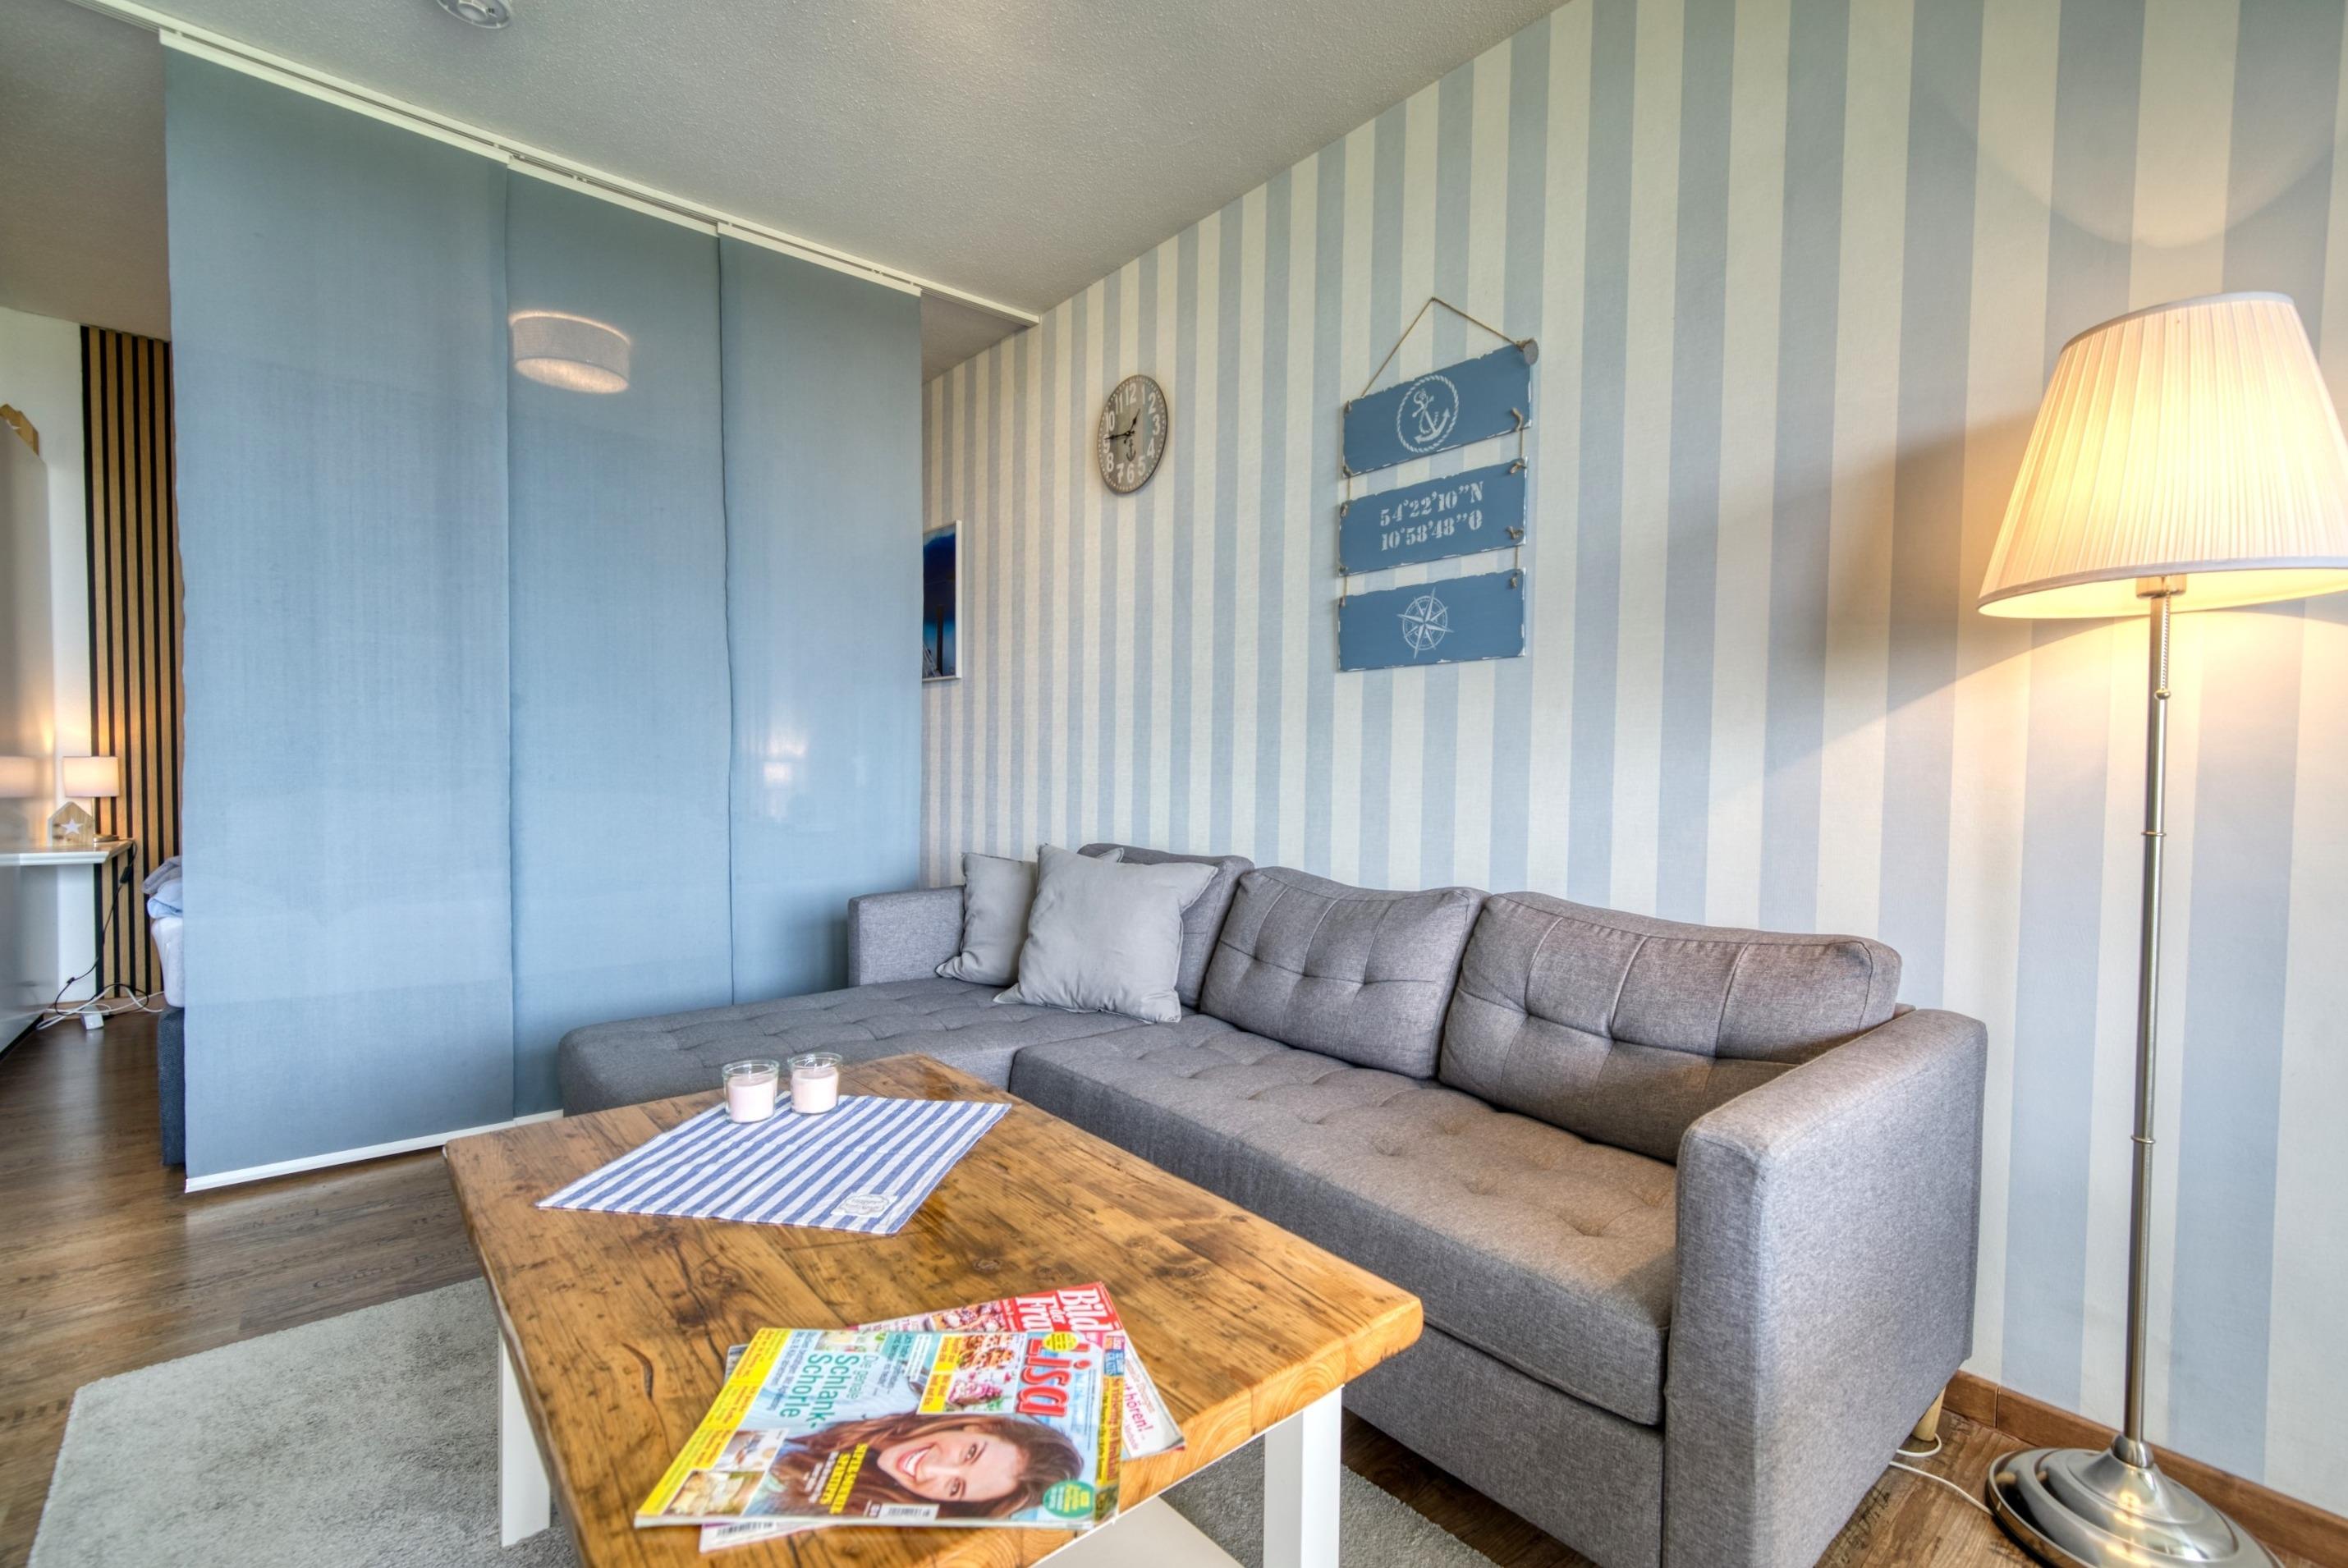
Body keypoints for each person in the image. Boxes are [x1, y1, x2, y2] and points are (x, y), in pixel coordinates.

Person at [759, 1412, 1083, 1520]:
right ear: (983, 1427)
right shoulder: (884, 1399)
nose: (930, 1470)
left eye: (955, 1487)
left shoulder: (852, 1505)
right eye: (970, 1453)